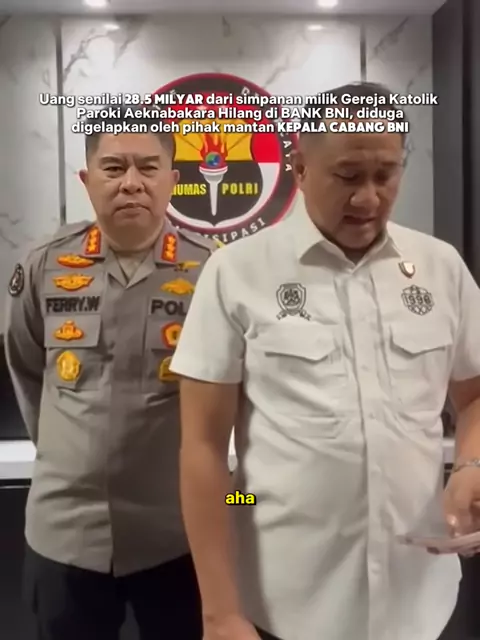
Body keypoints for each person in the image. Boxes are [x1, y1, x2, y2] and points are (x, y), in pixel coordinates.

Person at [169, 81, 480, 640]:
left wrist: (470, 467)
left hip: (420, 599)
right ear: (300, 167)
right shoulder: (237, 271)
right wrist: (219, 611)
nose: (368, 199)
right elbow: (204, 448)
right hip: (285, 605)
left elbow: (475, 393)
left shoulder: (441, 267)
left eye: (385, 175)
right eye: (348, 176)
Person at [4, 107, 217, 640]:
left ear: (173, 179)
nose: (131, 183)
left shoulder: (213, 270)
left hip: (176, 534)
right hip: (65, 533)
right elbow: (27, 369)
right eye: (114, 168)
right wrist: (68, 454)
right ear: (86, 179)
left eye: (148, 167)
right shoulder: (45, 264)